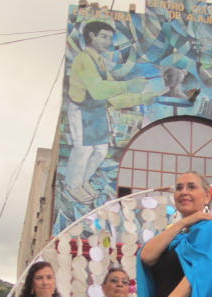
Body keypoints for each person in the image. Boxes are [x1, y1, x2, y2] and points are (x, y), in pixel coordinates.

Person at [63, 20, 156, 203]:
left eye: (110, 38)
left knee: (100, 150)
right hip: (82, 111)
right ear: (91, 36)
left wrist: (140, 98)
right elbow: (98, 90)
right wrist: (129, 85)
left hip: (97, 111)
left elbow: (112, 94)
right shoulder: (84, 59)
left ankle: (82, 181)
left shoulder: (100, 61)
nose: (108, 42)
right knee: (83, 149)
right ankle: (72, 186)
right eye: (103, 37)